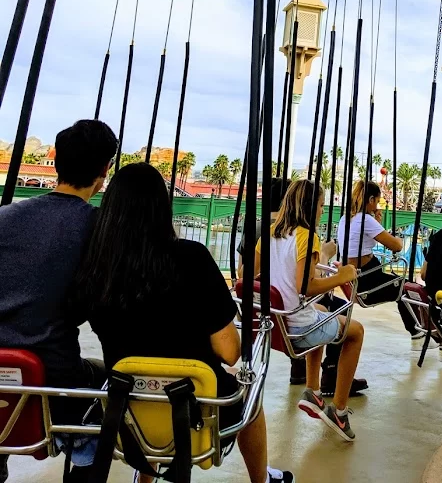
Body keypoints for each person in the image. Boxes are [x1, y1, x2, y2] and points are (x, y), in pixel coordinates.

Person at [70, 163, 293, 483]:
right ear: (162, 207)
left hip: (126, 409)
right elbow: (230, 351)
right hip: (196, 409)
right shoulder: (193, 258)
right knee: (250, 398)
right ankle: (262, 480)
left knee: (141, 382)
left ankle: (144, 475)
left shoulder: (96, 266)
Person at [0, 119, 117, 482]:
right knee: (105, 389)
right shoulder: (99, 228)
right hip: (51, 371)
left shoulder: (5, 216)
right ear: (104, 171)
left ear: (55, 162)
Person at [258, 179, 364, 443]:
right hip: (298, 328)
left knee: (319, 311)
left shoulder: (268, 234)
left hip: (275, 324)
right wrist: (343, 276)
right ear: (310, 207)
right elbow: (305, 286)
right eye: (320, 205)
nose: (321, 211)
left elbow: (254, 274)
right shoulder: (308, 237)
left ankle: (312, 389)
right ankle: (339, 410)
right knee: (356, 332)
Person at [336, 180, 419, 339]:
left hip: (358, 275)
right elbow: (396, 246)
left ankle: (417, 331)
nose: (377, 205)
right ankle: (417, 331)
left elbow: (364, 240)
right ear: (371, 199)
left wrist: (377, 222)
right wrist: (400, 240)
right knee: (408, 289)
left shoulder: (346, 218)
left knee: (403, 287)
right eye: (377, 201)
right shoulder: (364, 220)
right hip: (368, 278)